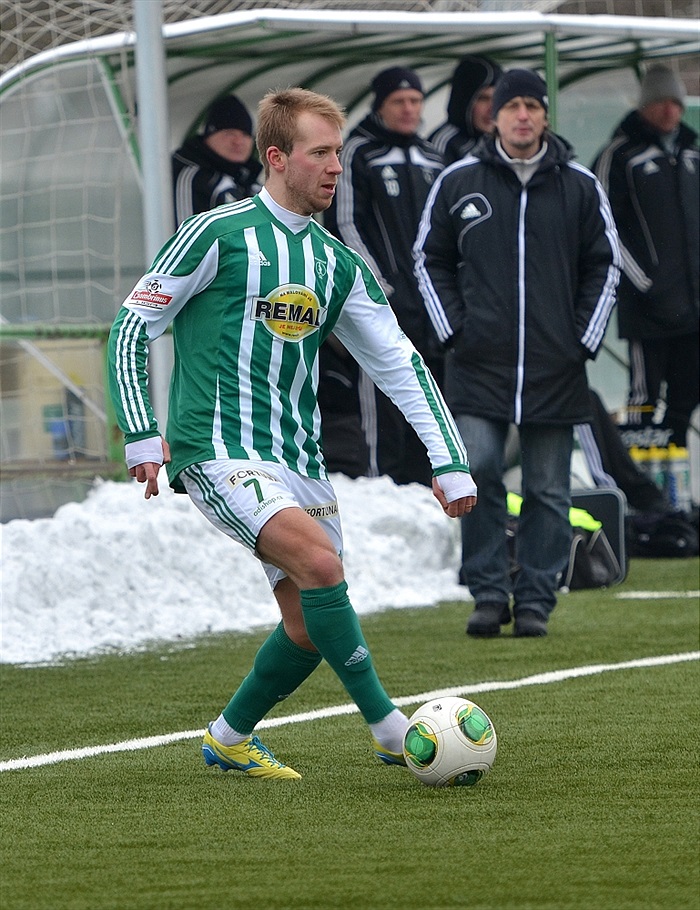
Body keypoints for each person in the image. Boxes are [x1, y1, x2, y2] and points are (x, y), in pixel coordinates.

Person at [108, 88, 476, 780]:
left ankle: (228, 738)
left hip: (299, 460)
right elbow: (133, 325)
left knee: (309, 626)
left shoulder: (339, 263)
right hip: (217, 449)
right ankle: (390, 728)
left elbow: (399, 363)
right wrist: (141, 430)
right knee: (322, 566)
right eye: (320, 153)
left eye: (338, 152)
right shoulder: (216, 234)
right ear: (277, 159)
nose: (336, 167)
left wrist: (448, 458)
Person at [414, 68, 621, 638]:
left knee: (548, 489)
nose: (522, 115)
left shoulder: (579, 184)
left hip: (557, 367)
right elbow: (427, 259)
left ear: (545, 115)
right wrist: (454, 332)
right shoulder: (459, 180)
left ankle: (535, 598)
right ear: (495, 116)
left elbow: (606, 265)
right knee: (477, 467)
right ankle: (487, 591)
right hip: (478, 364)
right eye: (512, 106)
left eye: (532, 105)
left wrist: (582, 339)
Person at [326, 66, 445, 487]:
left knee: (427, 401)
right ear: (380, 105)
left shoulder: (433, 157)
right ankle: (380, 487)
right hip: (386, 303)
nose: (410, 109)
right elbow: (346, 224)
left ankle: (425, 490)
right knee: (382, 398)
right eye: (400, 101)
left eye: (416, 101)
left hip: (432, 308)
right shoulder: (358, 153)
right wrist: (380, 287)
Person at [592, 65, 699, 450]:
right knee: (644, 399)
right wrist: (644, 282)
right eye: (660, 102)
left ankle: (672, 475)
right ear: (643, 107)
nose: (669, 111)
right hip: (649, 307)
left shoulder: (692, 152)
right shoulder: (619, 155)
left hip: (693, 305)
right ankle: (640, 478)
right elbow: (602, 224)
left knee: (688, 394)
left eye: (675, 102)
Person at [172, 94, 263, 226]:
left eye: (245, 134)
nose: (238, 141)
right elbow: (184, 238)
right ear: (209, 135)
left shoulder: (249, 182)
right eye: (229, 133)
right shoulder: (191, 177)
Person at [429, 54, 503, 165]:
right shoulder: (444, 143)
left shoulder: (503, 140)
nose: (492, 108)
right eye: (483, 98)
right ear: (464, 101)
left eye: (497, 98)